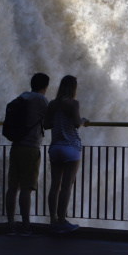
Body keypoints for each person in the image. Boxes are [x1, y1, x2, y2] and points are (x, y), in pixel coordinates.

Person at [5, 73, 50, 236]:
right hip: (31, 148)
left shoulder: (22, 97)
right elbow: (49, 121)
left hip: (16, 146)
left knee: (12, 187)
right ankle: (25, 226)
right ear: (45, 87)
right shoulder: (41, 100)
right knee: (26, 188)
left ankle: (10, 223)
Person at [44, 75, 89, 234]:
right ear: (73, 88)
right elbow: (77, 123)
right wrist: (84, 119)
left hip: (55, 147)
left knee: (54, 186)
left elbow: (46, 124)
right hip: (71, 147)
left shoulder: (53, 104)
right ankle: (62, 221)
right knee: (66, 186)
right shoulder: (73, 103)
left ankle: (53, 221)